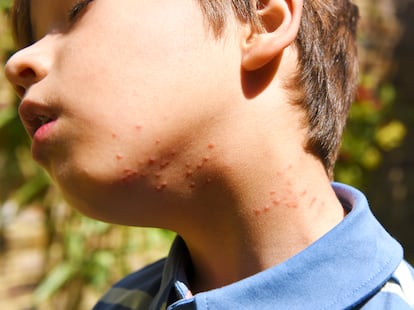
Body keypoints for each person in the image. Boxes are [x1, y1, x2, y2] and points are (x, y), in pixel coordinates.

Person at [4, 0, 414, 309]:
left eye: (76, 9)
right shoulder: (121, 302)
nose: (16, 63)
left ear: (261, 20)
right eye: (33, 38)